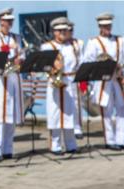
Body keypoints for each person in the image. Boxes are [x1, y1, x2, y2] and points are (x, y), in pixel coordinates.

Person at [83, 12, 124, 151]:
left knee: (122, 108)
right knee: (106, 110)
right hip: (102, 81)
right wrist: (86, 82)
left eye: (109, 25)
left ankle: (123, 140)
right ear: (99, 26)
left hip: (118, 79)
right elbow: (87, 62)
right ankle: (110, 140)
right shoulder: (93, 42)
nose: (107, 28)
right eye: (104, 26)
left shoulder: (121, 40)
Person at [0, 8, 25, 162]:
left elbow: (22, 54)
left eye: (11, 21)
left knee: (11, 116)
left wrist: (20, 59)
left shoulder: (16, 37)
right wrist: (6, 49)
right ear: (1, 21)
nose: (9, 23)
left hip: (13, 78)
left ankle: (8, 149)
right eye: (6, 21)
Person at [40, 17, 79, 154]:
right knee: (55, 114)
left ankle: (71, 144)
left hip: (70, 81)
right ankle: (55, 145)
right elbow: (44, 66)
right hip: (54, 82)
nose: (63, 32)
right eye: (59, 30)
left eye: (65, 29)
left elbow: (78, 63)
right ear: (54, 32)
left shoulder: (73, 45)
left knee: (70, 113)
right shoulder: (47, 47)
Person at [67, 21, 86, 140]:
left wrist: (83, 79)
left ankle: (77, 127)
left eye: (71, 30)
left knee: (76, 103)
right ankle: (68, 127)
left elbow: (82, 60)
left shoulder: (78, 43)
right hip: (63, 76)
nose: (69, 32)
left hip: (75, 75)